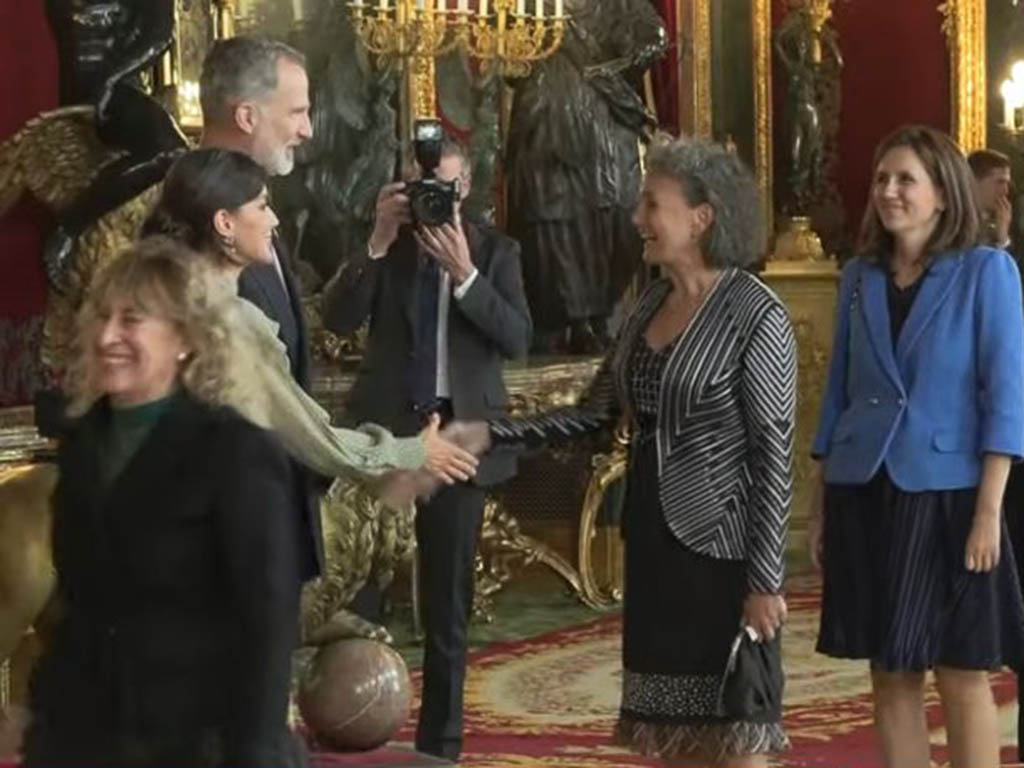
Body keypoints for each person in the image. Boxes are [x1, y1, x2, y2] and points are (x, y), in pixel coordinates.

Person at [490, 134, 794, 767]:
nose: (637, 220)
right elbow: (596, 414)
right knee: (673, 728)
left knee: (736, 728)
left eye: (651, 205)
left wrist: (765, 580)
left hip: (723, 550)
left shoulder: (754, 313)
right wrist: (490, 432)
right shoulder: (648, 302)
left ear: (701, 217)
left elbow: (773, 457)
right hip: (653, 540)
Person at [23, 238, 306, 766]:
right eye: (101, 316)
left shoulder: (237, 451)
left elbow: (266, 624)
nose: (108, 336)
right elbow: (77, 605)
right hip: (84, 736)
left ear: (186, 338)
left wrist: (254, 751)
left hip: (198, 741)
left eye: (132, 319)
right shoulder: (83, 446)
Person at [809, 125, 1024, 768]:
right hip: (866, 491)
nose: (889, 192)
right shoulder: (857, 277)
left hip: (953, 498)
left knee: (962, 671)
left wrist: (989, 511)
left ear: (942, 193)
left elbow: (1006, 400)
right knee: (890, 670)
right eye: (881, 179)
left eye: (906, 179)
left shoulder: (987, 270)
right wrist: (821, 505)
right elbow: (837, 396)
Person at [320, 134, 532, 761]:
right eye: (419, 189)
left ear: (464, 190)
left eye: (441, 188)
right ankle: (341, 724)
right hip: (386, 438)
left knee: (447, 608)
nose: (430, 199)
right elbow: (335, 318)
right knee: (355, 592)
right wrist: (377, 242)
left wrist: (465, 275)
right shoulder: (388, 249)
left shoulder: (497, 252)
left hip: (461, 439)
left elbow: (517, 337)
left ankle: (440, 746)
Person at [140, 148, 479, 495]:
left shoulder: (171, 298)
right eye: (262, 206)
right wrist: (415, 450)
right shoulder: (227, 322)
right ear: (225, 223)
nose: (274, 220)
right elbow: (315, 440)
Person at [967, 148, 1013, 250]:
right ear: (974, 181)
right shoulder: (951, 226)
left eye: (1007, 183)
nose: (1006, 191)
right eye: (1000, 182)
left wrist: (1003, 238)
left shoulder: (996, 228)